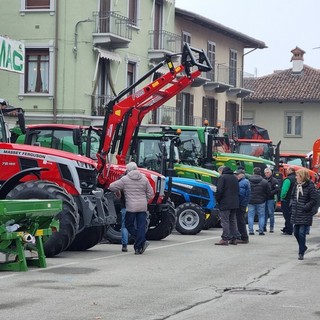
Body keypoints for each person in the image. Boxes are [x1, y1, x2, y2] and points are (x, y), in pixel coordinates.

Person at [109, 162, 154, 255]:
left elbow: (111, 186)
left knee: (128, 225)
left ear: (128, 170)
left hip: (131, 207)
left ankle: (142, 242)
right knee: (141, 226)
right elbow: (151, 193)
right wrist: (145, 200)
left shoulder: (125, 179)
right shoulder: (144, 179)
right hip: (142, 207)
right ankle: (138, 247)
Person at [290, 169, 318, 260]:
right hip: (296, 212)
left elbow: (314, 200)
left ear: (302, 177)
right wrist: (292, 203)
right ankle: (303, 247)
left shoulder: (310, 186)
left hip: (305, 212)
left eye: (297, 175)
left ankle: (301, 252)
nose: (296, 177)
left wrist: (305, 207)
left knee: (302, 233)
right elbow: (292, 195)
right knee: (296, 232)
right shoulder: (296, 185)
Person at [215, 166, 239, 245]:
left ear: (221, 171)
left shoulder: (222, 178)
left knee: (225, 221)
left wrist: (217, 199)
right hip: (235, 202)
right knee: (233, 220)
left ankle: (225, 238)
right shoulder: (235, 178)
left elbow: (219, 190)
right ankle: (234, 238)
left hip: (225, 202)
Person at [247, 167, 271, 235]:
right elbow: (268, 192)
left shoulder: (249, 181)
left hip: (251, 200)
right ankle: (261, 230)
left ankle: (251, 230)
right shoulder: (264, 181)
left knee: (251, 215)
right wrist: (264, 197)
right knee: (261, 216)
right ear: (260, 173)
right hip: (261, 201)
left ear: (253, 172)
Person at [234, 169, 251, 244]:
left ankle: (244, 237)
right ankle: (243, 237)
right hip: (243, 204)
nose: (236, 176)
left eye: (237, 174)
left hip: (240, 205)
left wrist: (237, 203)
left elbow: (240, 195)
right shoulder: (245, 182)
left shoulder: (242, 183)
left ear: (242, 174)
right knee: (241, 221)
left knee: (240, 221)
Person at [280, 167, 296, 235]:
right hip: (294, 200)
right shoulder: (296, 178)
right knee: (291, 215)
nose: (286, 171)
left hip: (286, 200)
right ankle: (288, 228)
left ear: (290, 171)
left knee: (287, 215)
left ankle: (288, 229)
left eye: (287, 170)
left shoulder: (288, 179)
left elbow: (284, 190)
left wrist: (282, 197)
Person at [263, 168, 280, 233]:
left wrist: (270, 193)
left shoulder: (274, 180)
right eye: (265, 173)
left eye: (267, 172)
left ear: (270, 173)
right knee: (264, 213)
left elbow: (277, 189)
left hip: (271, 199)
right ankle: (263, 226)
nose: (266, 174)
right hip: (264, 199)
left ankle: (271, 227)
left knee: (271, 213)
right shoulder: (263, 180)